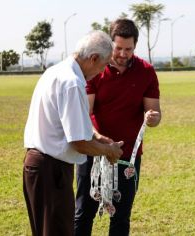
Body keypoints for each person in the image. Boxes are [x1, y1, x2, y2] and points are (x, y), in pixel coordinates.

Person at [23, 30, 124, 236]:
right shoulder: (72, 82)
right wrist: (108, 150)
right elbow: (78, 142)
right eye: (104, 65)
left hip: (39, 166)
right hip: (51, 169)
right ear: (94, 58)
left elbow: (68, 122)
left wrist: (97, 137)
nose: (102, 72)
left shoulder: (55, 71)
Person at [74, 18, 161, 236]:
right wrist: (100, 140)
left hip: (127, 155)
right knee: (84, 212)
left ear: (135, 45)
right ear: (110, 44)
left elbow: (155, 112)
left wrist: (153, 117)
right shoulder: (96, 70)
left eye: (128, 49)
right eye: (118, 48)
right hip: (93, 152)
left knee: (121, 216)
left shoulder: (146, 71)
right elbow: (86, 113)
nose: (123, 54)